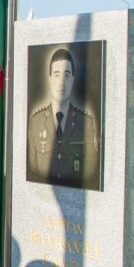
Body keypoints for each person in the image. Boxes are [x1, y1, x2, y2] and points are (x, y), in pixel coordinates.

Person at [27, 48, 100, 188]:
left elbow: (91, 172)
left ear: (72, 78)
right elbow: (32, 168)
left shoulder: (86, 122)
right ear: (49, 79)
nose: (61, 82)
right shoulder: (36, 121)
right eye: (56, 75)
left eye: (66, 75)